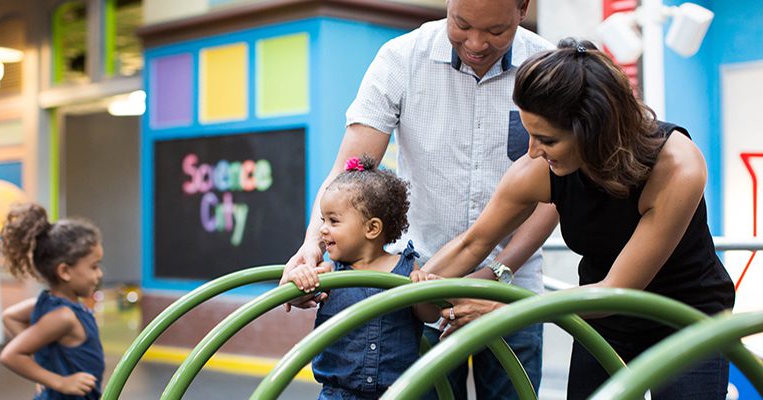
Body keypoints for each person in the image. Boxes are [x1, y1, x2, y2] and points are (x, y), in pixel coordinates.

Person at [418, 38, 735, 399]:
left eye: (547, 140)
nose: (533, 151)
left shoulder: (677, 165)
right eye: (529, 134)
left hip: (683, 318)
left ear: (594, 130)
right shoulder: (540, 167)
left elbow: (618, 291)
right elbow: (473, 242)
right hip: (601, 319)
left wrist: (504, 308)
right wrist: (417, 288)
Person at [282, 0, 559, 398]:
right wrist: (313, 246)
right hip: (418, 284)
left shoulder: (547, 66)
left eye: (496, 31)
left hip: (511, 286)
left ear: (522, 10)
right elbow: (349, 171)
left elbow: (555, 191)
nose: (476, 43)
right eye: (461, 24)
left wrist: (498, 271)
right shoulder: (401, 57)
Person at [283, 155, 439, 399]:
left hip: (400, 393)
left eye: (334, 221)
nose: (323, 228)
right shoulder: (330, 272)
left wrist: (425, 291)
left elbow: (430, 315)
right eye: (323, 220)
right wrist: (301, 276)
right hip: (340, 394)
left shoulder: (407, 268)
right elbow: (294, 295)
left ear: (372, 228)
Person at [0, 203, 105, 400]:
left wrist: (43, 371)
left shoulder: (47, 304)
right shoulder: (63, 317)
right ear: (64, 271)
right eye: (94, 267)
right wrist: (58, 381)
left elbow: (10, 316)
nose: (99, 274)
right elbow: (10, 355)